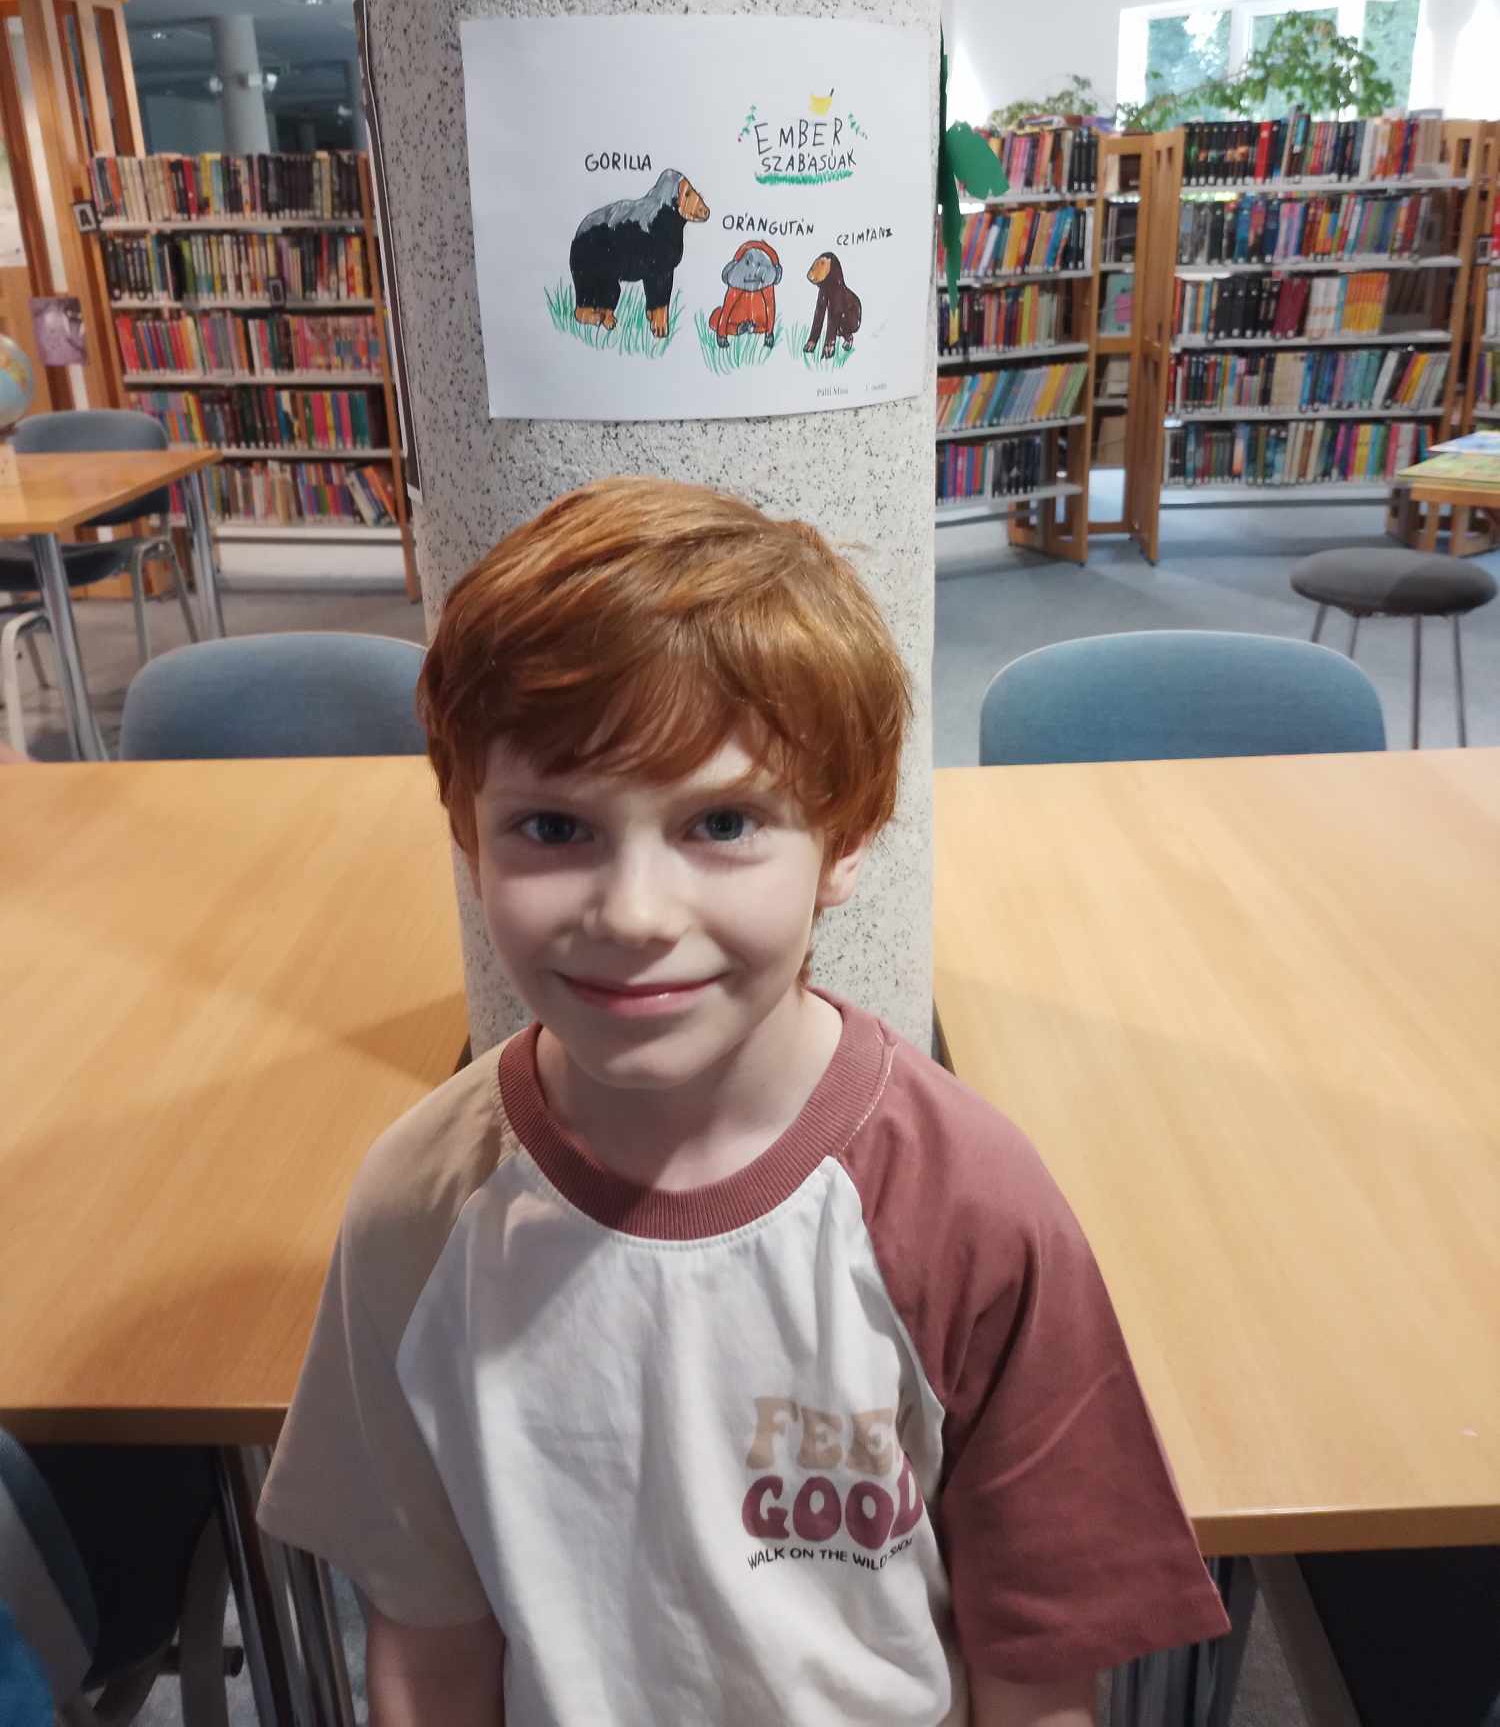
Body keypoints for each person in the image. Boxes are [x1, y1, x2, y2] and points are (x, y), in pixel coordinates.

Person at [258, 476, 1228, 1726]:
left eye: (721, 821)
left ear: (846, 837)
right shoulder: (419, 1208)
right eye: (552, 826)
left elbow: (1037, 1670)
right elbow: (427, 1642)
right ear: (468, 836)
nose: (635, 913)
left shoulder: (970, 1209)